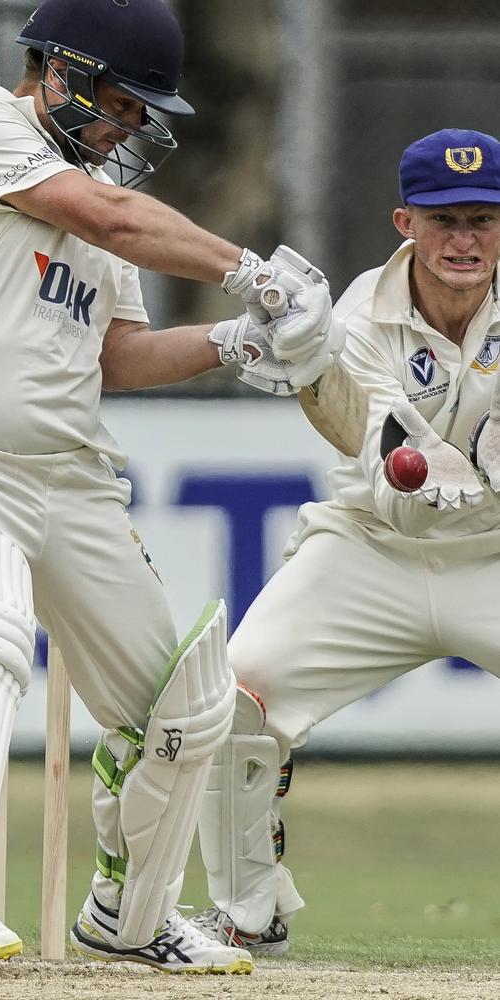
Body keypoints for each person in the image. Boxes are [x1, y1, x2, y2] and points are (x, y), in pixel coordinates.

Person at [0, 0, 340, 974]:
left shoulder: (94, 209)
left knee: (185, 702)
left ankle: (130, 916)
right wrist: (255, 276)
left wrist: (230, 340)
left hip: (71, 478)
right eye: (119, 104)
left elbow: (114, 355)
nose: (126, 129)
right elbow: (110, 215)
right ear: (61, 71)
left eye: (139, 114)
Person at [190, 127, 500, 954]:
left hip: (495, 555)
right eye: (444, 221)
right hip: (373, 549)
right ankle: (248, 911)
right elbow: (396, 483)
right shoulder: (359, 317)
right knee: (232, 699)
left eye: (482, 219)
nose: (464, 241)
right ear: (406, 223)